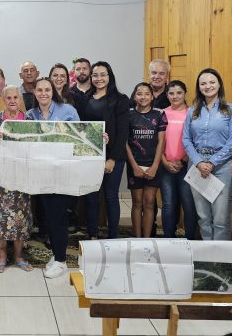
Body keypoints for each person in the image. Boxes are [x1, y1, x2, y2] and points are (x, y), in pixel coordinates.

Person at [25, 77, 80, 278]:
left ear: (53, 91)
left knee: (59, 216)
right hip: (42, 175)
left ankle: (61, 261)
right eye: (40, 90)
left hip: (63, 173)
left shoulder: (67, 111)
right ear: (35, 93)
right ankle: (57, 254)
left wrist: (100, 137)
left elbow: (81, 137)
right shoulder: (31, 115)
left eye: (47, 90)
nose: (44, 93)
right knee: (49, 216)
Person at [182, 68, 232, 241]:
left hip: (222, 167)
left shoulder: (231, 110)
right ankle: (207, 257)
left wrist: (213, 162)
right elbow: (186, 139)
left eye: (212, 82)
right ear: (199, 87)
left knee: (221, 219)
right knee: (204, 217)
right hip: (197, 167)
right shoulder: (192, 111)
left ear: (219, 84)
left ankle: (222, 262)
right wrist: (199, 162)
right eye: (203, 83)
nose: (208, 86)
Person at [75, 61, 129, 240]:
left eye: (103, 74)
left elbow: (122, 132)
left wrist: (112, 158)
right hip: (90, 155)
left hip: (113, 157)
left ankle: (113, 236)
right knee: (91, 197)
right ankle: (93, 234)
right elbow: (81, 127)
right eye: (95, 75)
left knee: (111, 196)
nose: (99, 78)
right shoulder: (85, 99)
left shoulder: (120, 99)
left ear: (110, 76)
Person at [0, 85, 33, 273]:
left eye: (15, 97)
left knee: (20, 217)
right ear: (4, 100)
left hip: (22, 175)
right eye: (9, 98)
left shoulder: (29, 120)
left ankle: (19, 256)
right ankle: (2, 255)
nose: (12, 100)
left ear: (20, 99)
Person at [126, 83, 167, 238]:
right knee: (137, 203)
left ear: (152, 96)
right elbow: (125, 143)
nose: (143, 97)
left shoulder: (159, 114)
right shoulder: (128, 114)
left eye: (146, 94)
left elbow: (161, 142)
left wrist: (155, 166)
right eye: (139, 93)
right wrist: (134, 166)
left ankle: (147, 239)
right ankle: (137, 238)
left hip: (153, 165)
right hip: (134, 165)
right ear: (135, 96)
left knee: (149, 202)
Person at [160, 80, 198, 239]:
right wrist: (164, 161)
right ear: (167, 95)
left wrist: (182, 160)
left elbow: (196, 141)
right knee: (168, 205)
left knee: (189, 205)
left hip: (187, 165)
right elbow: (158, 142)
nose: (175, 96)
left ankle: (190, 241)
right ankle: (169, 239)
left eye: (179, 93)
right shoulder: (162, 113)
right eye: (171, 93)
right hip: (165, 166)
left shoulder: (193, 113)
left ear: (185, 94)